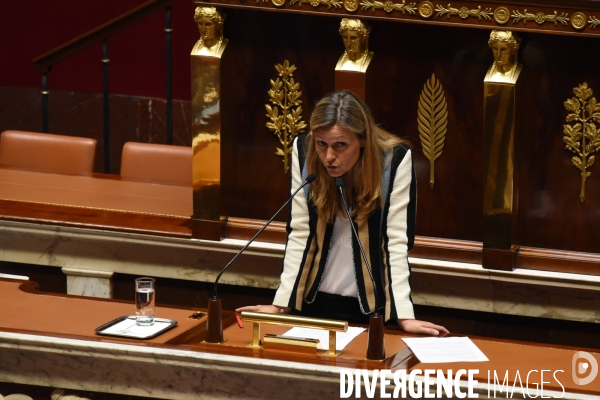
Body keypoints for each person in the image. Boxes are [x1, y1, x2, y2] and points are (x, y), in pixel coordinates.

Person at [237, 91, 448, 336]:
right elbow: (300, 233)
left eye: (340, 145)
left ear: (363, 140)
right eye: (321, 144)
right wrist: (280, 304)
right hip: (311, 302)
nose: (328, 157)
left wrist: (404, 315)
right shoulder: (304, 151)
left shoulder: (394, 161)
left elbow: (395, 243)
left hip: (369, 308)